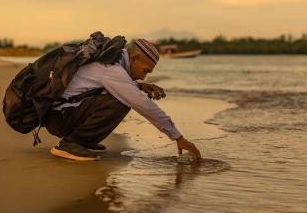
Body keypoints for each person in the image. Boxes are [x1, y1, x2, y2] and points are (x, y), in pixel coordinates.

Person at [42, 38, 201, 161]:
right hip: (60, 117)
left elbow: (105, 84)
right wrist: (178, 137)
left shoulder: (111, 59)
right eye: (145, 70)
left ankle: (83, 141)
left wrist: (139, 86)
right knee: (123, 100)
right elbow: (144, 105)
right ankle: (70, 144)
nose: (143, 76)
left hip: (61, 113)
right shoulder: (112, 69)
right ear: (134, 58)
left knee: (123, 95)